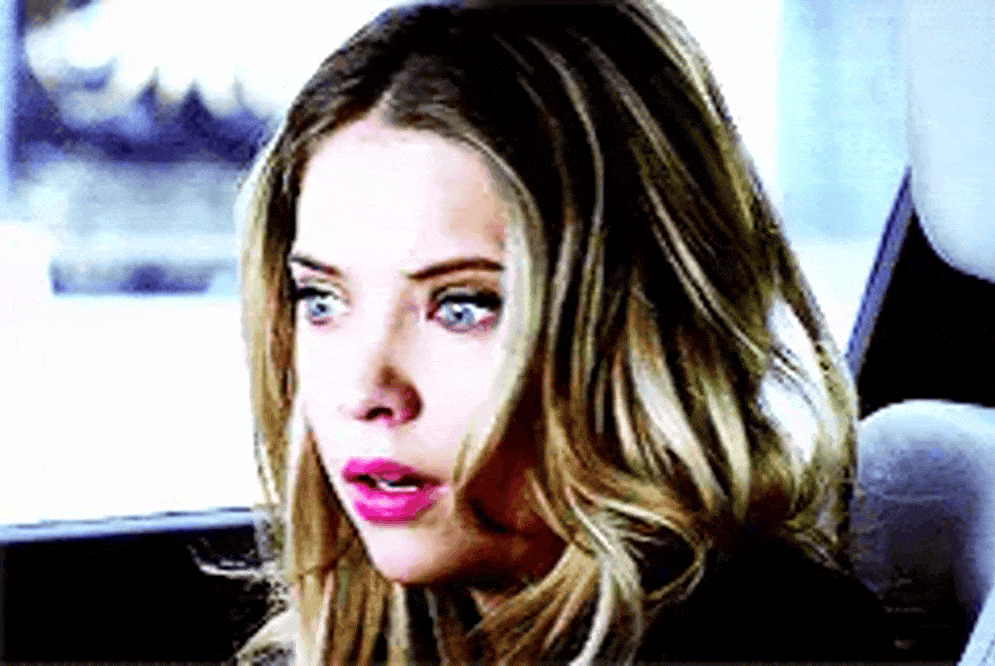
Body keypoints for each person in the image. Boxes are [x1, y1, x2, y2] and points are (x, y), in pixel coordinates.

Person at [236, 0, 894, 663]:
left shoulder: (763, 637)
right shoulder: (402, 631)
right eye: (322, 300)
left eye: (462, 307)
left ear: (636, 328)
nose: (365, 392)